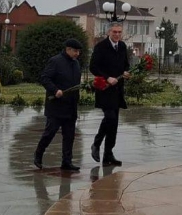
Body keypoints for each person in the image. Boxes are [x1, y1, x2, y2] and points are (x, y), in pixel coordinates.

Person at [34, 38, 83, 171]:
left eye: (78, 51)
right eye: (75, 51)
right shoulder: (55, 61)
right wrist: (55, 90)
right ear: (68, 49)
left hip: (71, 106)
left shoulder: (76, 63)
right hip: (56, 106)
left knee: (69, 136)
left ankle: (67, 162)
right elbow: (45, 78)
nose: (77, 54)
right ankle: (38, 154)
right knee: (49, 133)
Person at [89, 22, 131, 165]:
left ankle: (108, 154)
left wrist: (126, 72)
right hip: (105, 89)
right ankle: (96, 143)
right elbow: (93, 67)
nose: (117, 34)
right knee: (110, 118)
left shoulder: (122, 46)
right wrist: (107, 77)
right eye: (114, 32)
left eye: (119, 32)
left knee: (114, 124)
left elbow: (126, 64)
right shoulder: (101, 47)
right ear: (109, 32)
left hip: (117, 90)